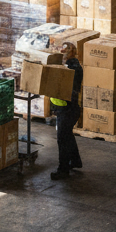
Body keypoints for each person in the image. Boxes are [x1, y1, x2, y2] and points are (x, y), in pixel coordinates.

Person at [50, 41, 84, 181]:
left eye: (63, 52)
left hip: (68, 109)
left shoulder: (72, 69)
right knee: (67, 135)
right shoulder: (70, 66)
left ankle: (63, 169)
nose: (61, 55)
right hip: (65, 108)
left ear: (69, 53)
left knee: (62, 138)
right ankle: (75, 161)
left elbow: (66, 86)